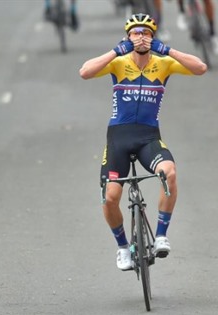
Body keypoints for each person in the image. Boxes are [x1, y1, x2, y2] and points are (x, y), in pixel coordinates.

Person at [79, 13, 207, 270]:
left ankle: (160, 235)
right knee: (110, 197)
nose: (141, 37)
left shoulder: (164, 63)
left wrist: (168, 50)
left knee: (169, 173)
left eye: (146, 33)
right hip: (119, 138)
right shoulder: (118, 63)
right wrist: (115, 51)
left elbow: (200, 68)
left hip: (149, 137)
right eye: (135, 33)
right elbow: (85, 72)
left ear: (152, 37)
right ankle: (123, 248)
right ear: (128, 37)